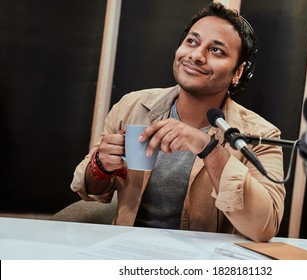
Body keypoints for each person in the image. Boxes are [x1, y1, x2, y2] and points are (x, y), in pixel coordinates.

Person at [71, 2, 285, 242]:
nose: (196, 55)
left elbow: (265, 227)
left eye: (216, 50)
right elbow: (90, 192)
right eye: (192, 42)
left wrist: (208, 148)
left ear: (238, 72)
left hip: (204, 262)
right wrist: (100, 165)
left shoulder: (259, 135)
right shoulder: (132, 106)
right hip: (125, 250)